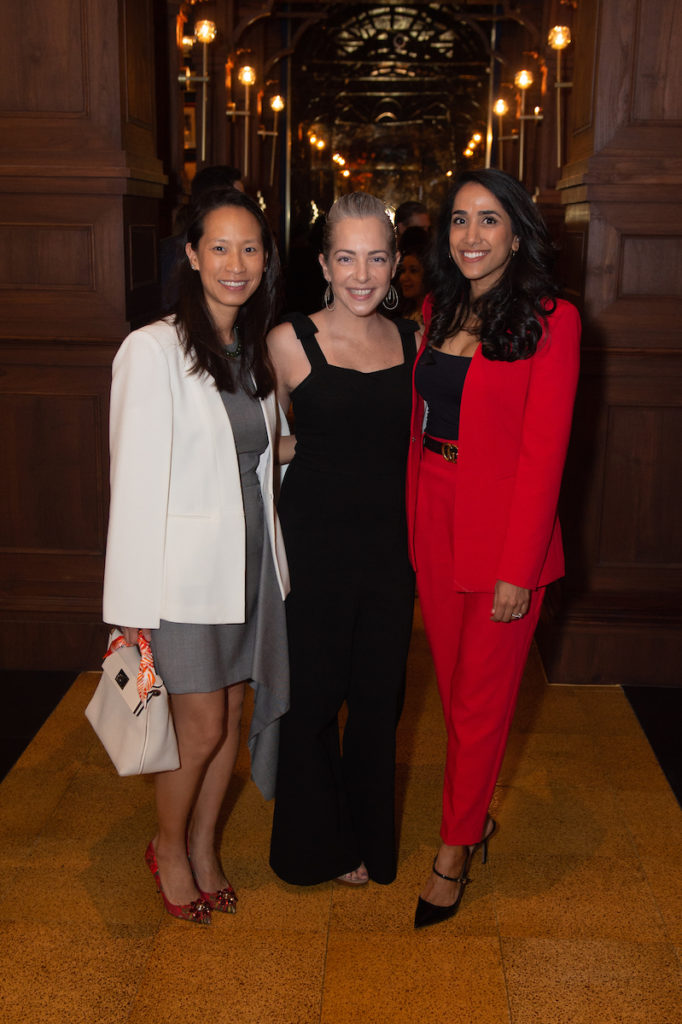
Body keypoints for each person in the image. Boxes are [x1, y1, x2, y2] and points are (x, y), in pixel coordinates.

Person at [103, 188, 290, 925]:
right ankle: (169, 846)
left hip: (251, 561)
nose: (235, 263)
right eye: (219, 247)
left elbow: (255, 454)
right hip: (181, 573)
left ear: (266, 259)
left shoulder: (256, 347)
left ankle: (207, 846)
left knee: (235, 711)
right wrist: (129, 613)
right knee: (202, 725)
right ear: (190, 254)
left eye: (250, 248)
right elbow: (133, 483)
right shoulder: (152, 349)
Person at [406, 168, 580, 928]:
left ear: (517, 231)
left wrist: (519, 568)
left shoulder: (553, 319)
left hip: (507, 531)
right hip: (434, 514)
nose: (471, 235)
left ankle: (454, 851)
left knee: (479, 705)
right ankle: (472, 815)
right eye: (459, 221)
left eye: (489, 220)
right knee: (455, 693)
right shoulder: (434, 308)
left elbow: (546, 456)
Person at [267, 192, 419, 886]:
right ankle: (314, 848)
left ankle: (366, 840)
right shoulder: (288, 340)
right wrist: (300, 451)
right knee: (312, 701)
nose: (363, 274)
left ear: (395, 265)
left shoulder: (414, 342)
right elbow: (258, 442)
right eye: (347, 258)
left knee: (379, 701)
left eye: (377, 258)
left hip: (391, 551)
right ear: (325, 264)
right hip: (313, 546)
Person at [396, 226, 430, 325]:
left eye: (413, 271)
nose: (404, 278)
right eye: (403, 271)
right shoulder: (403, 313)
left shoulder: (436, 317)